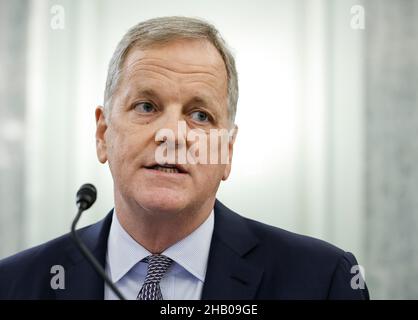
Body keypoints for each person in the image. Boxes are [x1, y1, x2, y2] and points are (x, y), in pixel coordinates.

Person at [0, 16, 369, 300]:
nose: (173, 135)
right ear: (103, 134)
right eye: (146, 106)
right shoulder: (14, 284)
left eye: (200, 115)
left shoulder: (321, 281)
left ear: (227, 151)